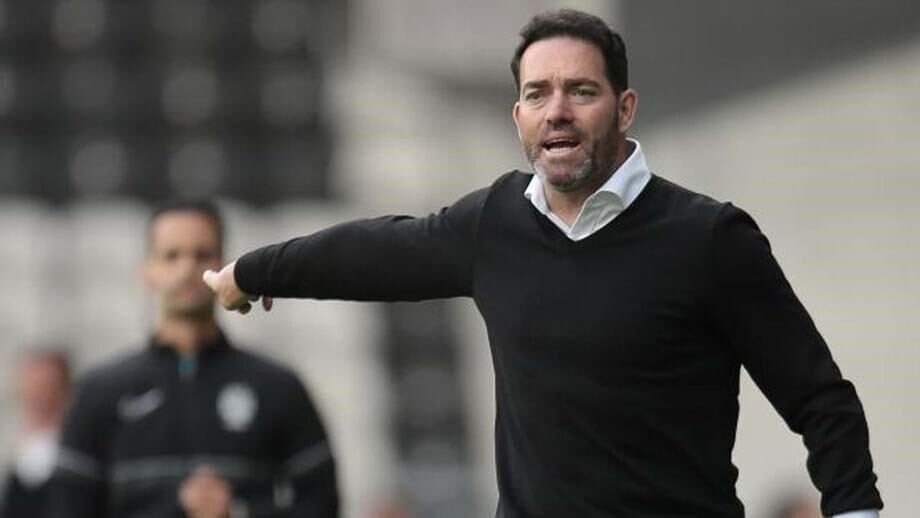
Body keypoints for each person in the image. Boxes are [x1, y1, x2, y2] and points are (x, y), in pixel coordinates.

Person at [203, 9, 882, 518]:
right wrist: (256, 271)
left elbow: (820, 400)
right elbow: (377, 252)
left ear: (624, 108)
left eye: (581, 91)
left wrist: (855, 511)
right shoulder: (494, 224)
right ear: (519, 116)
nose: (557, 111)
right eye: (537, 94)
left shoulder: (709, 239)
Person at [50, 200, 339, 518]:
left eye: (202, 255)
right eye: (171, 256)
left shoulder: (278, 386)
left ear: (224, 266)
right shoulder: (98, 391)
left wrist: (239, 512)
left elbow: (323, 506)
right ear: (148, 271)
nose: (187, 269)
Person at [0, 349, 71, 518]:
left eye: (46, 385)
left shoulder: (73, 441)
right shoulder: (11, 439)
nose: (38, 393)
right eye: (33, 384)